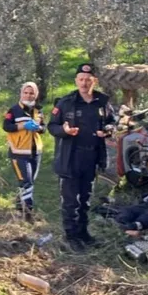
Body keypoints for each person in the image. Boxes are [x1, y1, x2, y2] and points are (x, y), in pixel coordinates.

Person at [48, 63, 115, 252]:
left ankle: (83, 234)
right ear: (76, 80)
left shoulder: (102, 102)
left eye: (88, 80)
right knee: (71, 201)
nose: (84, 83)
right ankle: (71, 237)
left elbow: (112, 122)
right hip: (71, 157)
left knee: (85, 199)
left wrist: (108, 130)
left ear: (95, 81)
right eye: (81, 79)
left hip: (92, 157)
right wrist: (64, 130)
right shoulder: (66, 102)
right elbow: (52, 127)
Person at [2, 82, 45, 221]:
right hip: (19, 152)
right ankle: (28, 213)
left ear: (36, 95)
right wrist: (23, 126)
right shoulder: (13, 110)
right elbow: (7, 127)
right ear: (21, 93)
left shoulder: (38, 111)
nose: (28, 95)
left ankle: (19, 209)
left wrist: (38, 128)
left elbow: (44, 128)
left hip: (35, 151)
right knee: (26, 181)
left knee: (30, 181)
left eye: (31, 93)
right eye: (25, 92)